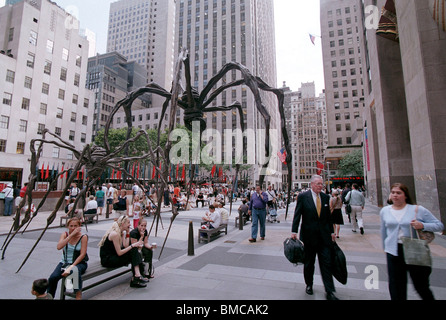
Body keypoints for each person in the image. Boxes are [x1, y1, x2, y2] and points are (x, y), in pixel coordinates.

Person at [380, 183, 444, 300]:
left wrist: (422, 225)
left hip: (414, 250)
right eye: (393, 192)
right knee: (396, 287)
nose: (395, 195)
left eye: (399, 193)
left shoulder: (417, 210)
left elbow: (439, 226)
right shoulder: (385, 211)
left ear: (405, 196)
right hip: (393, 252)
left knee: (421, 286)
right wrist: (385, 247)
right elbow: (383, 230)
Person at [291, 175, 338, 300]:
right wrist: (294, 231)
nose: (320, 186)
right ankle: (309, 284)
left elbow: (328, 217)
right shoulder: (303, 197)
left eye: (321, 184)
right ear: (311, 184)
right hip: (309, 236)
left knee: (326, 263)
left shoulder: (325, 197)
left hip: (324, 237)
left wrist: (332, 232)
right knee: (309, 263)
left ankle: (329, 291)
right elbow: (297, 214)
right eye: (318, 184)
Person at [98, 215, 148, 288]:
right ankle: (137, 277)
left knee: (133, 250)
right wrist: (133, 245)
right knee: (133, 250)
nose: (130, 225)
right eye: (128, 223)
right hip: (107, 260)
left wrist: (127, 233)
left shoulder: (121, 232)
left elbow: (125, 246)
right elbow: (120, 252)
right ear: (122, 224)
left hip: (114, 256)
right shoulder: (115, 234)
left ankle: (137, 276)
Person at [47, 217, 88, 300]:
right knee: (53, 277)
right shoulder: (65, 234)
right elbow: (59, 247)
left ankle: (78, 293)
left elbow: (82, 254)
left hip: (79, 263)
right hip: (64, 262)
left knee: (74, 271)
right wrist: (71, 235)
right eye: (71, 226)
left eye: (75, 226)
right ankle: (49, 296)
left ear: (79, 226)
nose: (73, 228)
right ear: (68, 226)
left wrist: (71, 267)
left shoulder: (83, 237)